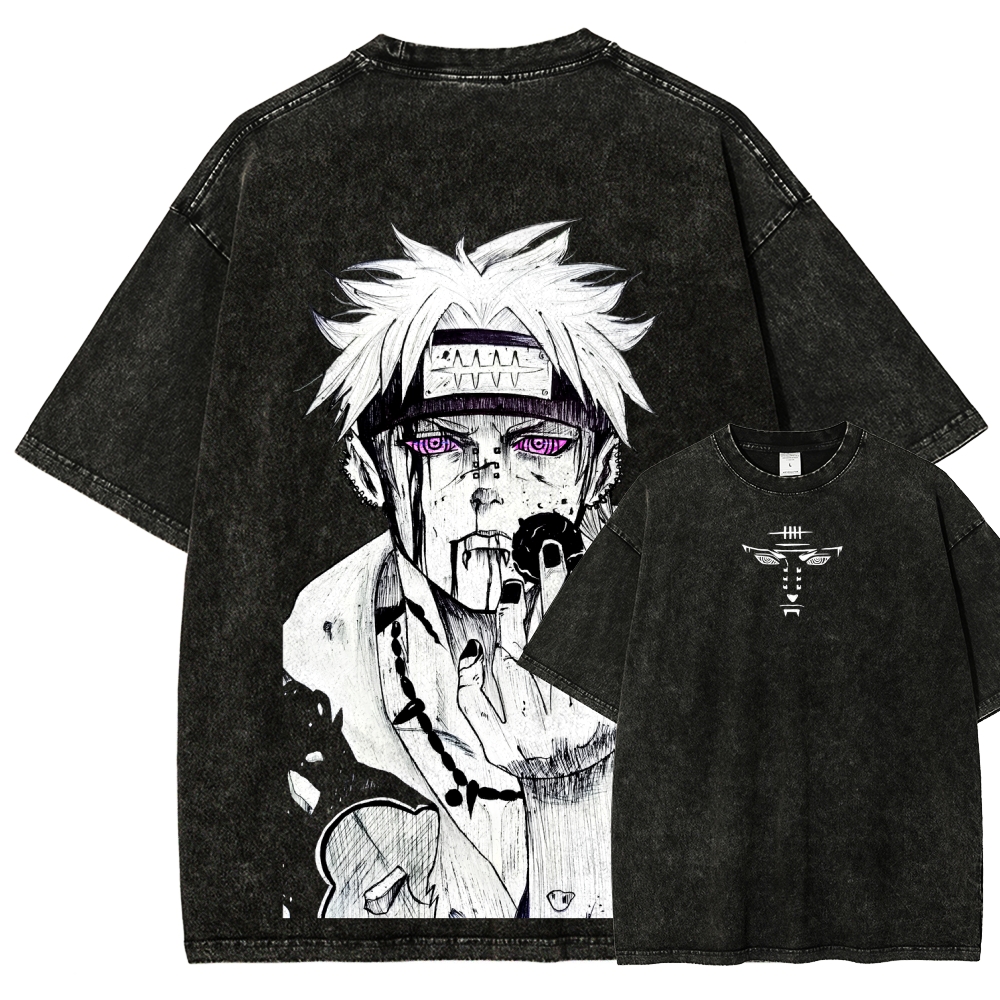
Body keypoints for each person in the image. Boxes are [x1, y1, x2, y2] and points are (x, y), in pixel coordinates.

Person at [283, 220, 653, 918]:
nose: (491, 486)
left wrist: (568, 785)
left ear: (599, 469)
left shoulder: (674, 611)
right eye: (436, 443)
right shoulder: (320, 637)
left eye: (537, 444)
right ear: (369, 470)